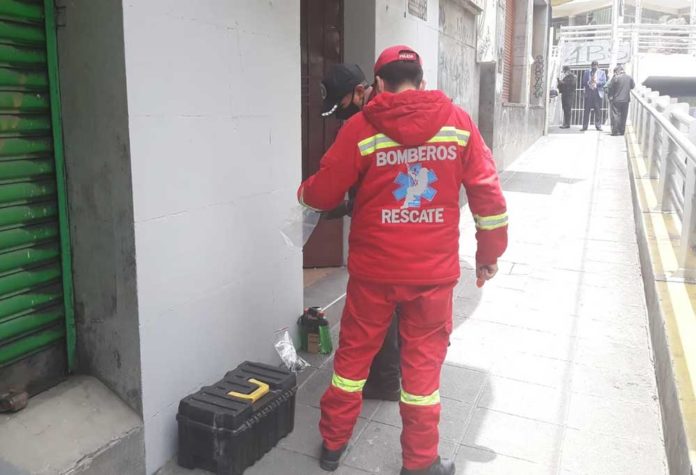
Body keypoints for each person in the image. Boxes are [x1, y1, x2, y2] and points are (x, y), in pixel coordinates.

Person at [298, 45, 508, 475]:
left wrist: (303, 193)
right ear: (422, 80)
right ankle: (419, 463)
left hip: (374, 275)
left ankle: (333, 445)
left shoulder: (360, 128)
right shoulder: (458, 123)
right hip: (432, 277)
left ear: (378, 84)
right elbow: (488, 194)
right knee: (422, 375)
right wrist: (488, 255)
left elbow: (323, 194)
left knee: (352, 363)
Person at [320, 63, 401, 402]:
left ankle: (384, 380)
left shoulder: (375, 122)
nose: (342, 116)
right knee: (393, 306)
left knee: (378, 308)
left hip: (385, 234)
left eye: (342, 106)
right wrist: (341, 208)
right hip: (396, 226)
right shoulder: (384, 115)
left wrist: (318, 200)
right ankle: (389, 375)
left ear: (359, 92)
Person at [606, 65, 635, 136]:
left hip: (616, 100)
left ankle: (615, 131)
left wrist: (610, 96)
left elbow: (610, 87)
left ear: (617, 71)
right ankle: (622, 131)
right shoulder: (629, 78)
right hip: (626, 100)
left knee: (616, 115)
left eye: (615, 72)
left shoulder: (615, 78)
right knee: (624, 116)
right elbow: (633, 86)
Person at [581, 60, 607, 131]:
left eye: (595, 65)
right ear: (591, 66)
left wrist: (597, 83)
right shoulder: (587, 72)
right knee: (586, 110)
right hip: (589, 92)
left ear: (598, 66)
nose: (594, 67)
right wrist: (588, 82)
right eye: (593, 65)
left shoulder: (602, 72)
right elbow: (583, 82)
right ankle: (584, 126)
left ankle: (598, 126)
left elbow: (604, 82)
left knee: (598, 110)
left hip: (597, 93)